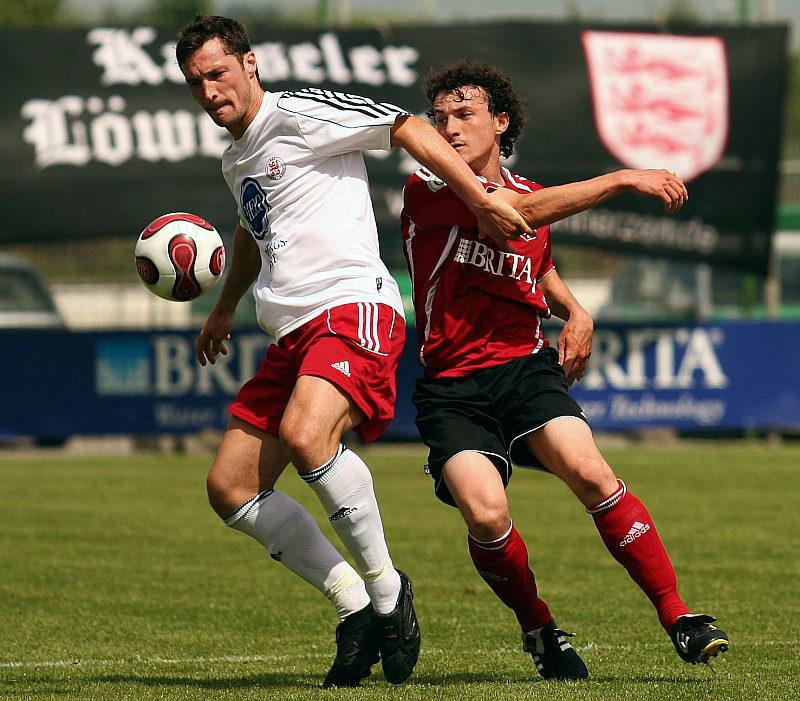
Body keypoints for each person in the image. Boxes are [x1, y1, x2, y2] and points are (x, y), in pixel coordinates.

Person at [175, 17, 531, 689]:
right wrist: (224, 306)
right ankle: (355, 603)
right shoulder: (236, 157)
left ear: (249, 64)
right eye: (196, 82)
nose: (210, 90)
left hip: (351, 307)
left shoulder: (301, 113)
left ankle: (389, 594)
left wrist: (479, 199)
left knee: (306, 434)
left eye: (218, 73)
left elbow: (407, 127)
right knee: (230, 488)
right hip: (290, 333)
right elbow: (252, 229)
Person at [401, 60, 729, 681]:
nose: (449, 128)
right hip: (452, 387)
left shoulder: (525, 189)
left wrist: (576, 311)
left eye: (464, 114)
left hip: (525, 369)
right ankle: (541, 630)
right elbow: (519, 215)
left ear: (501, 123)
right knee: (487, 515)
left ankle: (680, 617)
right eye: (439, 118)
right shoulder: (431, 189)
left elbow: (538, 263)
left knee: (593, 473)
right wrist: (623, 178)